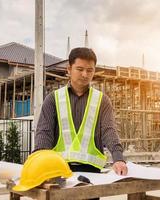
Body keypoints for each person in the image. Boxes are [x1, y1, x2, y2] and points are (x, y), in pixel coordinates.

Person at [34, 47, 128, 177]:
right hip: (58, 171)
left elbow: (109, 130)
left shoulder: (102, 100)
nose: (85, 74)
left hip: (92, 173)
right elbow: (44, 132)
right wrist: (39, 159)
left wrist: (118, 158)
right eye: (80, 69)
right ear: (69, 69)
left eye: (90, 70)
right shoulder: (53, 99)